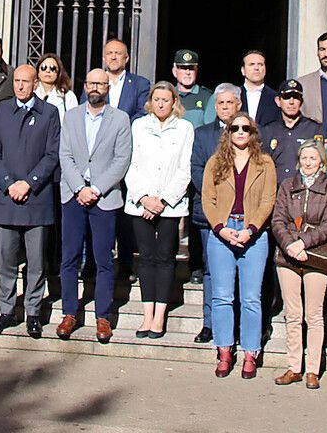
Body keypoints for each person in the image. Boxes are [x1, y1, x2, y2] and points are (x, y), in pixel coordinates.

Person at [0, 64, 61, 338]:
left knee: (36, 260)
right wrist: (8, 183)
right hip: (7, 198)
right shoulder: (2, 111)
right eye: (16, 81)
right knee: (6, 259)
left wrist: (29, 183)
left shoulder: (49, 113)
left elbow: (52, 154)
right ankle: (6, 310)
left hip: (36, 198)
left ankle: (33, 312)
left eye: (25, 81)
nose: (20, 86)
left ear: (35, 83)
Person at [56, 68, 132, 342]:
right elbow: (64, 154)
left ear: (108, 87)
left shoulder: (120, 119)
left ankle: (103, 317)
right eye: (91, 83)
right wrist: (79, 187)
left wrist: (96, 189)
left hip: (104, 196)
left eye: (101, 83)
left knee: (103, 259)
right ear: (85, 86)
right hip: (73, 195)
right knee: (70, 257)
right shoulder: (72, 116)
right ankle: (69, 313)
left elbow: (121, 159)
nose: (96, 87)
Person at [202, 113, 277, 379]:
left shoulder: (265, 163)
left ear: (253, 132)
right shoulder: (216, 162)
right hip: (222, 231)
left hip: (253, 234)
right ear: (228, 132)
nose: (241, 132)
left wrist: (251, 229)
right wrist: (221, 229)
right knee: (222, 296)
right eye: (235, 128)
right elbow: (207, 200)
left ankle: (250, 352)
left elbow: (268, 200)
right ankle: (224, 350)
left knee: (251, 298)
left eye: (246, 128)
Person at [125, 82, 193, 338]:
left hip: (170, 206)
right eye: (157, 99)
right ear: (150, 102)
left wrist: (162, 201)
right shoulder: (139, 126)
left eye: (167, 99)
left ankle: (159, 317)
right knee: (146, 257)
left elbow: (184, 168)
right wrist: (144, 198)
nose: (162, 104)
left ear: (174, 102)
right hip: (140, 204)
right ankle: (146, 315)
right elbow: (131, 163)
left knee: (165, 257)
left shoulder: (184, 128)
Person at [270, 140, 327, 389]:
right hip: (288, 255)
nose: (308, 163)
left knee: (313, 314)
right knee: (293, 314)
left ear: (321, 161)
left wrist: (303, 243)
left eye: (313, 158)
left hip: (317, 257)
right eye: (304, 158)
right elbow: (278, 219)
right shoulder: (288, 186)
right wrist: (290, 244)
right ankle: (293, 366)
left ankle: (312, 369)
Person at [190, 84, 242, 345]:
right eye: (220, 103)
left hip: (243, 215)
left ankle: (238, 324)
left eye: (229, 103)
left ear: (238, 106)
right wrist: (217, 199)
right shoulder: (202, 135)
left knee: (240, 271)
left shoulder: (249, 134)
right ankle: (210, 323)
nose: (224, 108)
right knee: (212, 270)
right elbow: (196, 169)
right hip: (211, 214)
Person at [260, 79, 322, 183]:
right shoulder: (267, 130)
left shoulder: (314, 129)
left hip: (304, 190)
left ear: (301, 101)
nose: (291, 102)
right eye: (287, 97)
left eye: (296, 97)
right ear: (278, 101)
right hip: (276, 191)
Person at [102, 38, 151, 118]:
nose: (113, 57)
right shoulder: (93, 83)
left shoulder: (140, 84)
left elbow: (143, 113)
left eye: (118, 53)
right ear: (104, 58)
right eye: (109, 53)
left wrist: (123, 127)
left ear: (126, 58)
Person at [239, 50, 279, 128]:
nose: (256, 68)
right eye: (251, 64)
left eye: (260, 64)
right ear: (243, 70)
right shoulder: (234, 96)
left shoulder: (275, 98)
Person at [171, 49, 210, 123]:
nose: (188, 72)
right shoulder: (169, 95)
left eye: (191, 68)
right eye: (183, 68)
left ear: (196, 71)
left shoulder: (207, 97)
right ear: (174, 71)